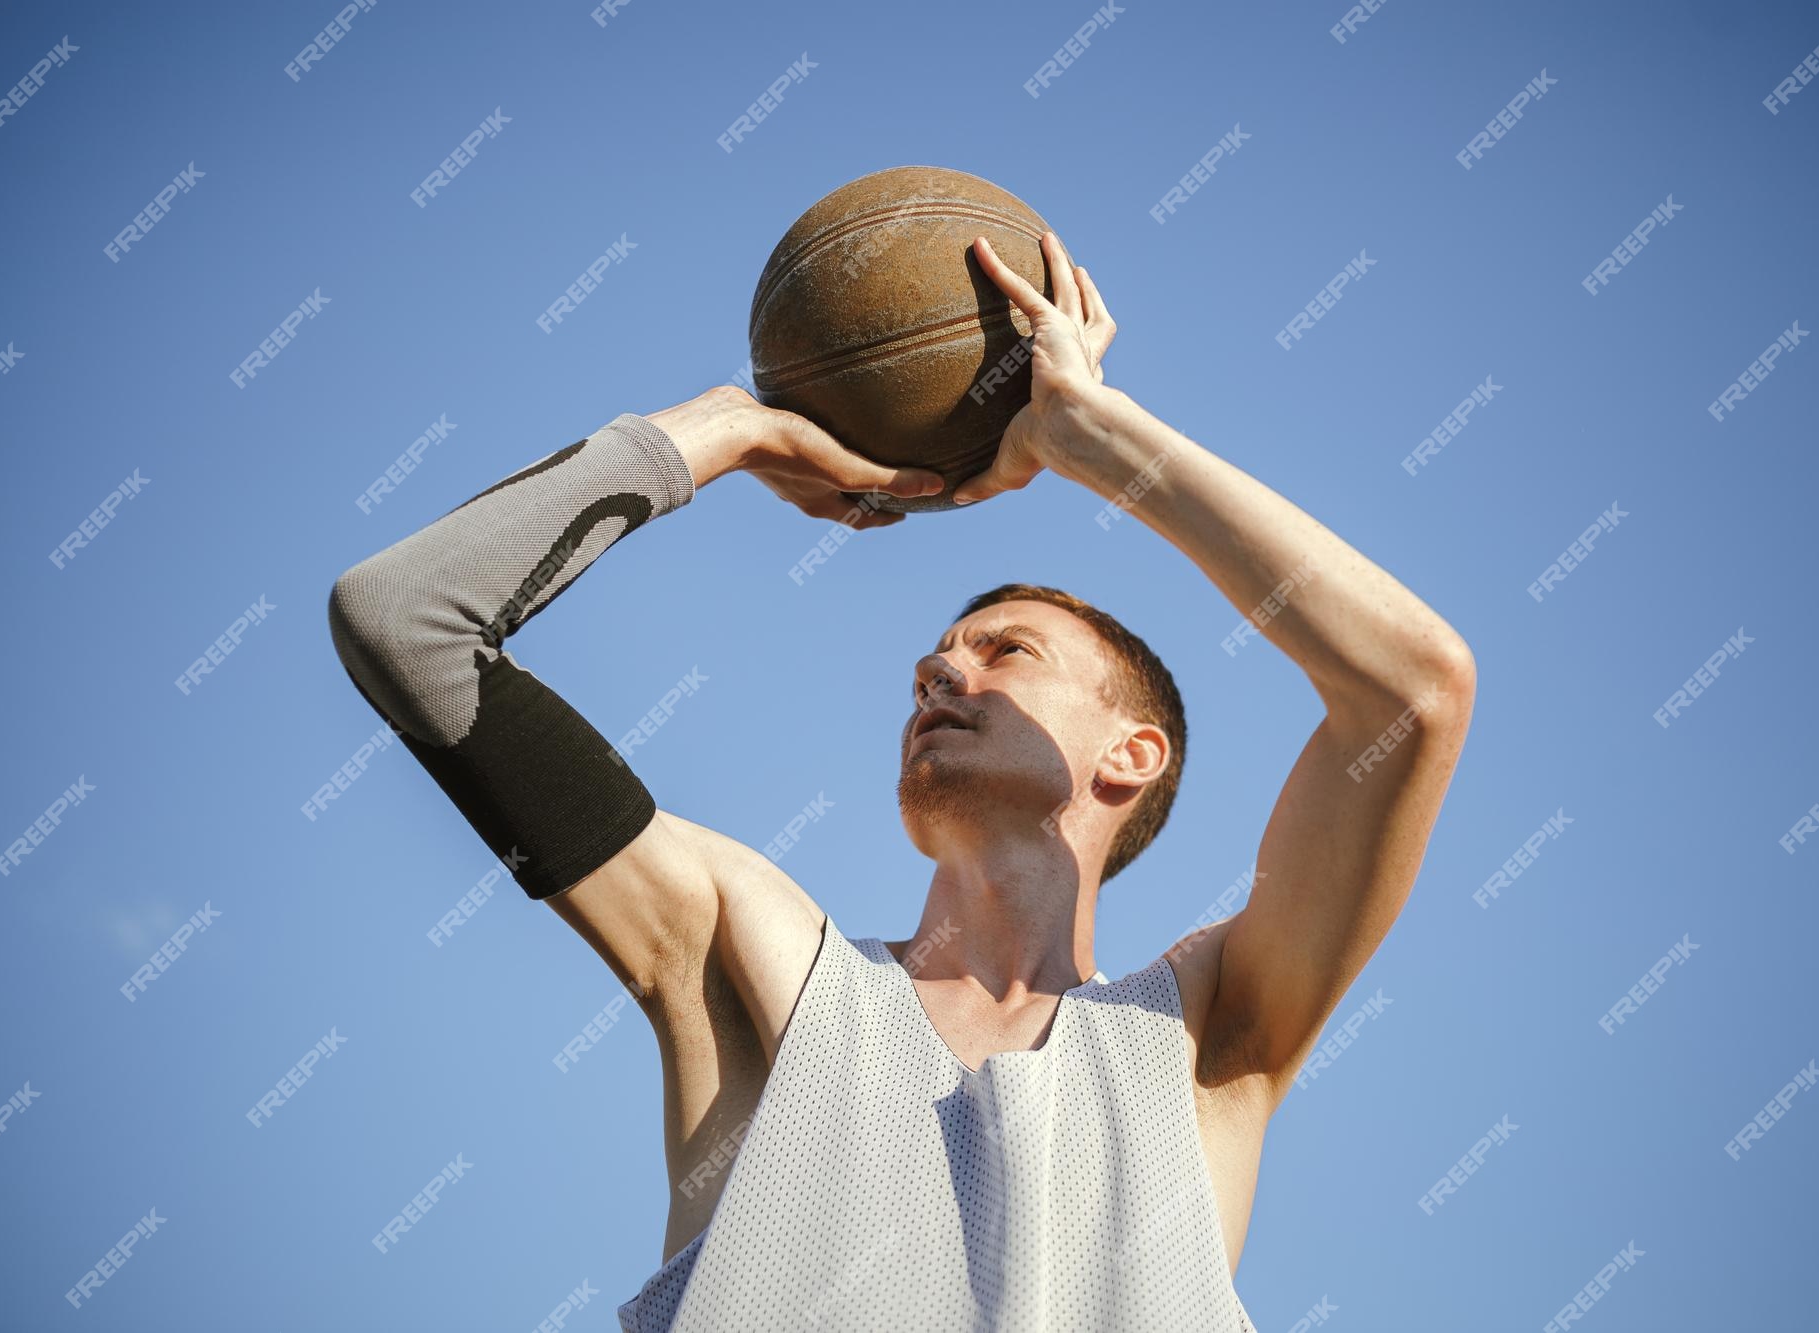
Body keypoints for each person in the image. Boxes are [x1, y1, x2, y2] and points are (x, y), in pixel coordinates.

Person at [327, 229, 1474, 1331]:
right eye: (937, 656)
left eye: (1003, 649)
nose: (938, 666)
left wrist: (1095, 437)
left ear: (1130, 755)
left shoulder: (1207, 1037)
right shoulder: (759, 968)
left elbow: (1413, 691)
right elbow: (406, 621)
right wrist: (729, 430)